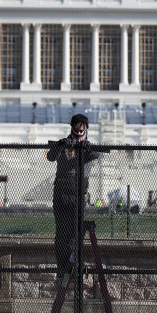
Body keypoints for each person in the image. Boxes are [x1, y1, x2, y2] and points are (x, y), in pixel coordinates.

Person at [46, 114, 100, 279]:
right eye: (77, 125)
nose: (80, 127)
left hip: (78, 195)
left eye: (83, 125)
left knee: (76, 233)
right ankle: (62, 268)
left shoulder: (88, 147)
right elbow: (50, 157)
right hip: (61, 194)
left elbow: (97, 154)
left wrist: (87, 147)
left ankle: (76, 266)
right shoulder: (64, 144)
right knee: (61, 233)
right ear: (72, 126)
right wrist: (61, 145)